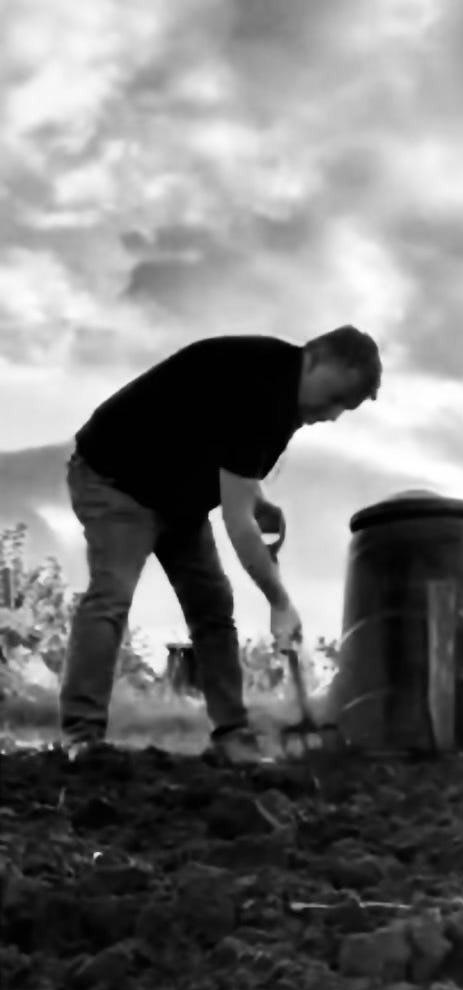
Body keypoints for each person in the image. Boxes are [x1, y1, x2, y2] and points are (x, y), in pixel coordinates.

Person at [57, 325, 381, 763]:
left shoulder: (286, 401)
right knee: (111, 595)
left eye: (344, 407)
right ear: (319, 359)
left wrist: (255, 499)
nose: (333, 414)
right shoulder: (262, 386)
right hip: (116, 480)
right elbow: (237, 522)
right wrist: (279, 601)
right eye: (336, 397)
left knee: (212, 606)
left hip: (178, 499)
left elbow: (226, 459)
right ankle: (81, 737)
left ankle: (232, 734)